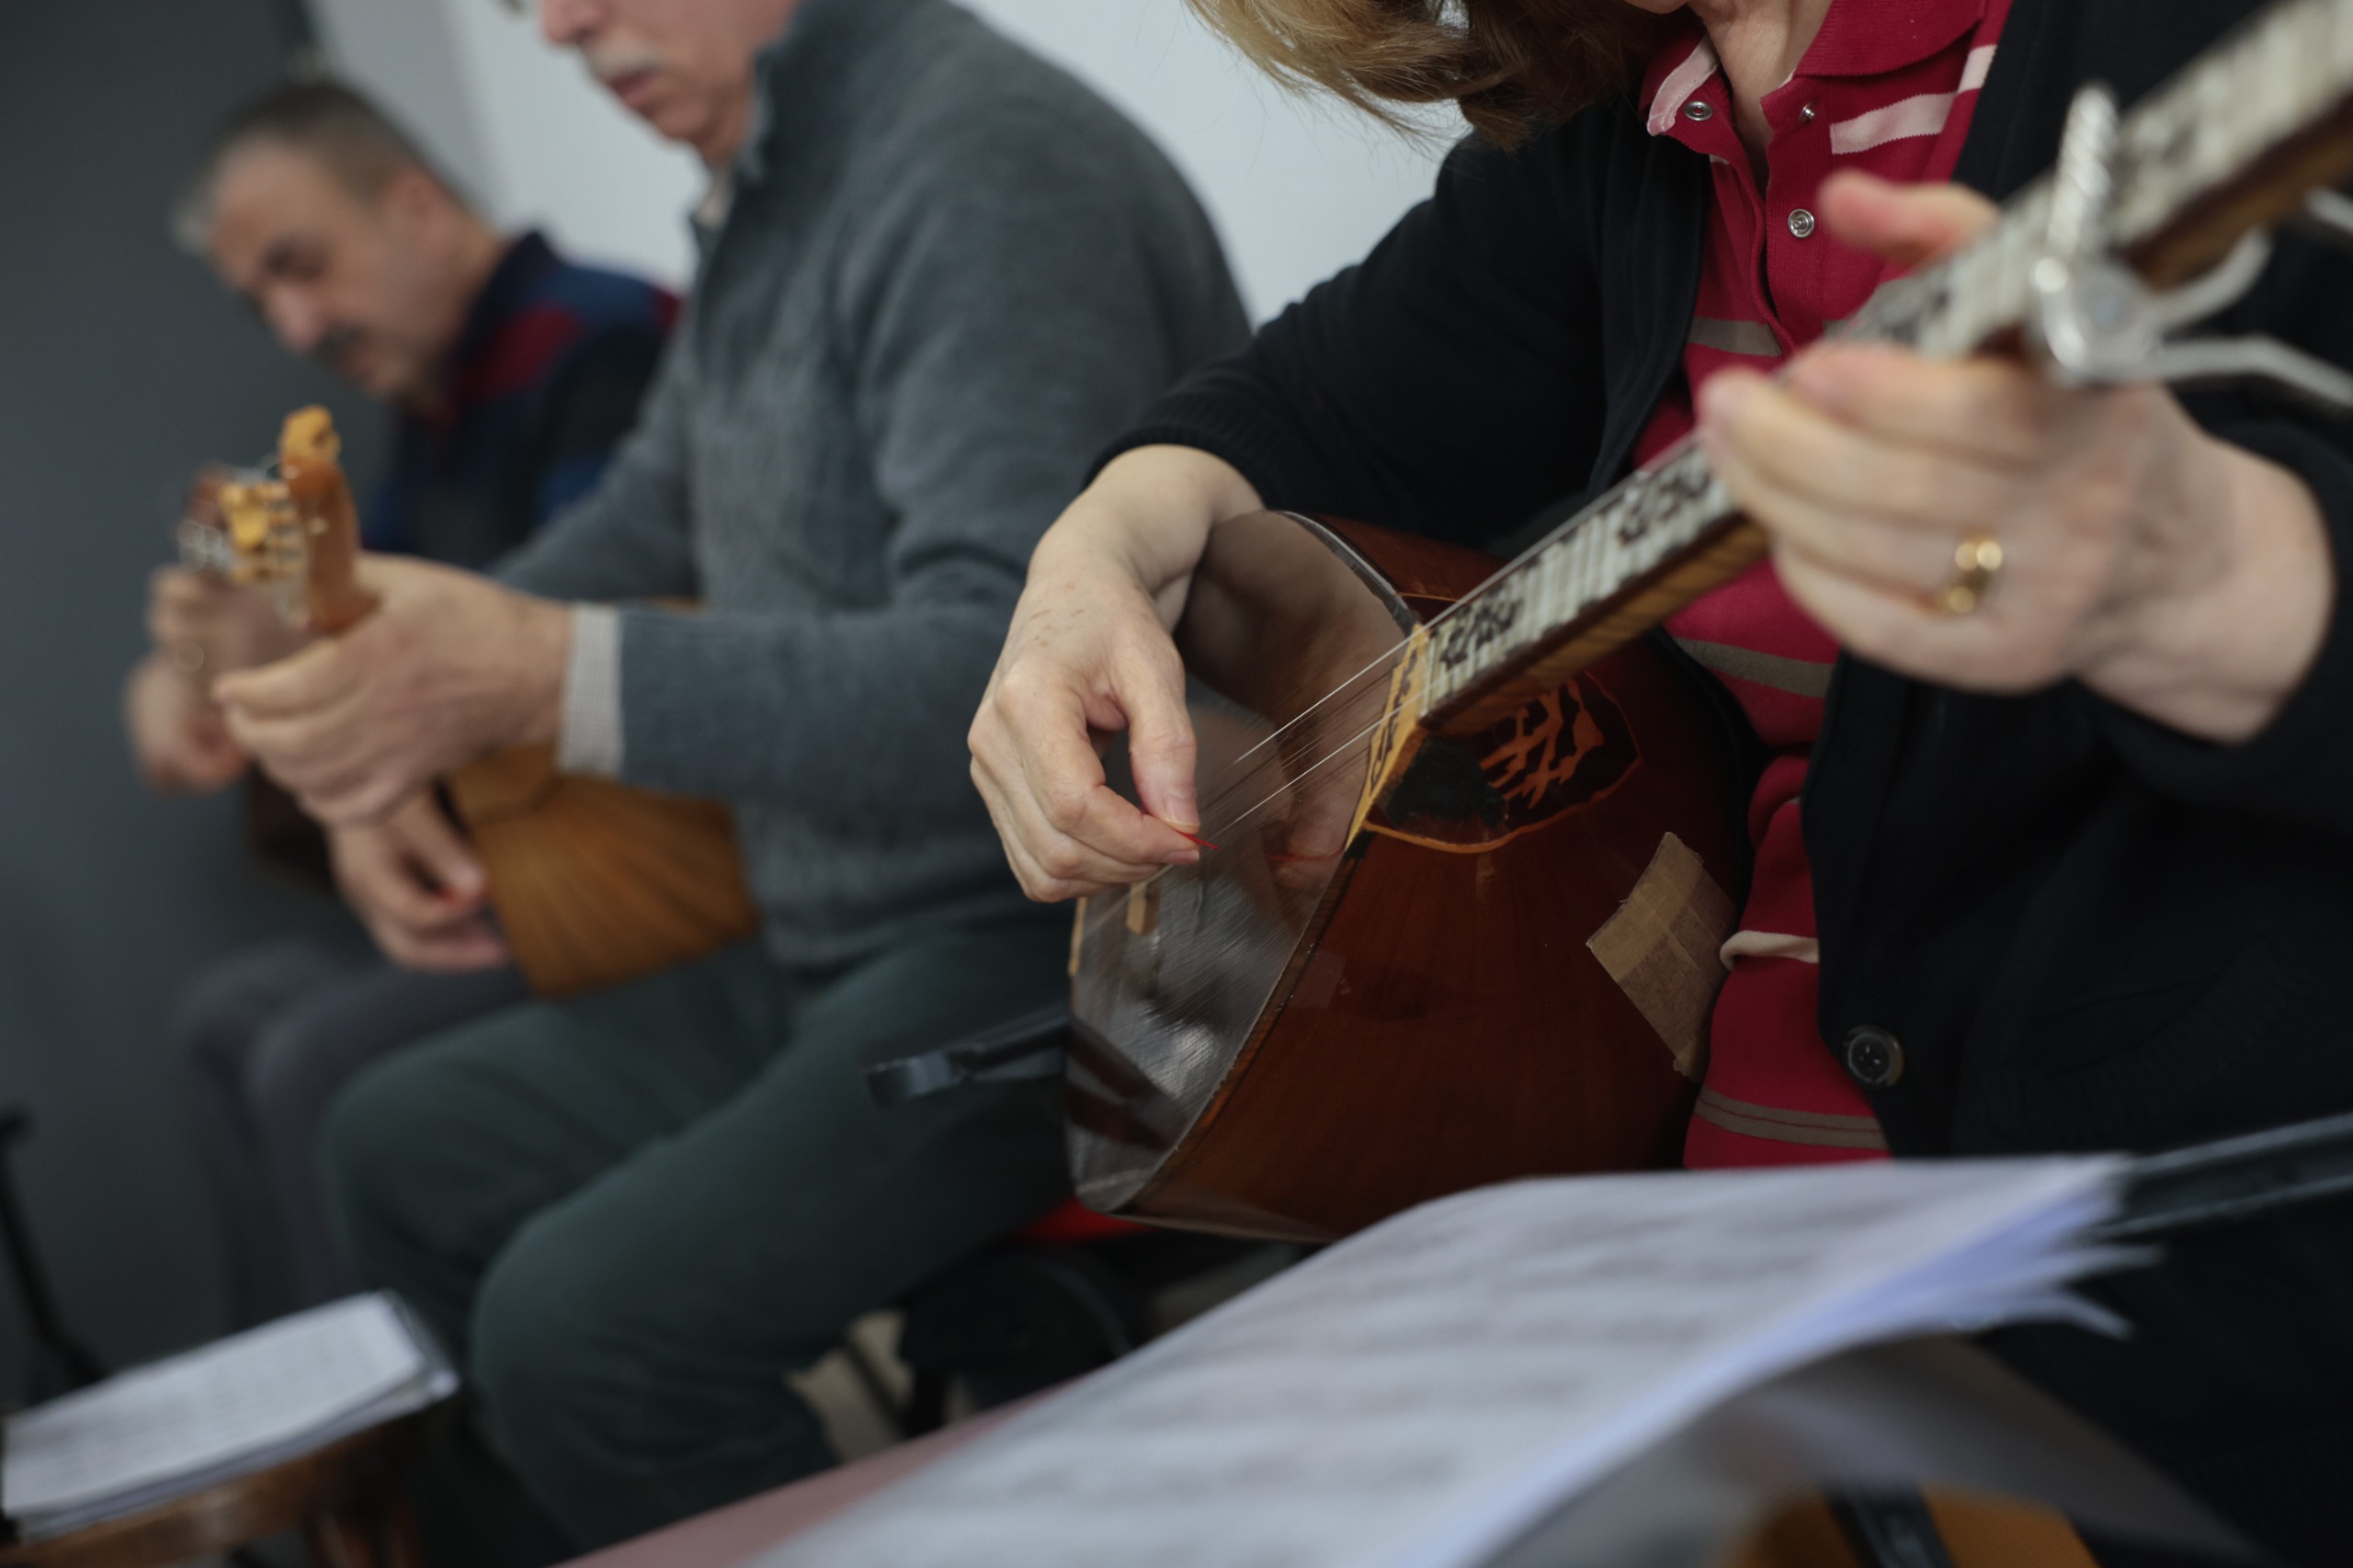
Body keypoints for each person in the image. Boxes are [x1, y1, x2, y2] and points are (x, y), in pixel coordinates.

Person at [967, 0, 2353, 1562]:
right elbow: (1298, 417)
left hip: (2177, 1320)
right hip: (1710, 1284)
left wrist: (2213, 578)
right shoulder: (1643, 116)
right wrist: (1093, 554)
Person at [210, 0, 1248, 1549]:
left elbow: (997, 671)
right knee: (392, 1143)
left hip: (1067, 941)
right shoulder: (779, 181)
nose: (560, 24)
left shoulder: (977, 164)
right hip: (843, 941)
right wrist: (401, 729)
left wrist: (530, 676)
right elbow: (640, 526)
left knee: (583, 1337)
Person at [135, 81, 675, 1329]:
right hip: (523, 881)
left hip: (638, 885)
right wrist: (184, 662)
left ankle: (418, 1495)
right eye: (261, 298)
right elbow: (284, 564)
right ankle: (330, 1480)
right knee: (227, 1017)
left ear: (421, 210)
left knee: (311, 1060)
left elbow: (541, 642)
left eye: (301, 266)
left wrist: (276, 651)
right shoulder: (430, 419)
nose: (295, 322)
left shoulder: (593, 339)